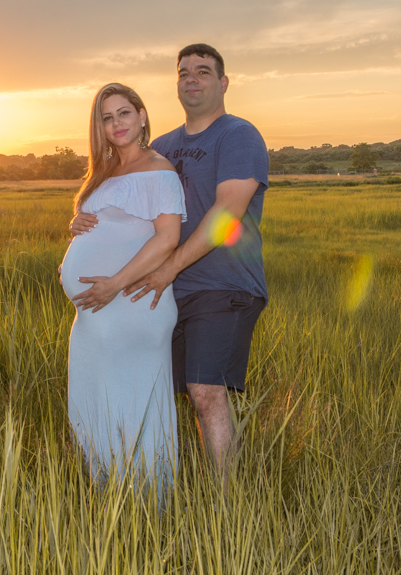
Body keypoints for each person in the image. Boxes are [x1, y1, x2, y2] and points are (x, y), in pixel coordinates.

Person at [70, 44, 269, 483]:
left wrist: (167, 269)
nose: (192, 79)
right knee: (163, 392)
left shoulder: (238, 135)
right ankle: (163, 483)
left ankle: (228, 507)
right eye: (184, 72)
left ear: (224, 82)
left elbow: (225, 216)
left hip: (223, 284)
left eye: (203, 71)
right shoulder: (162, 147)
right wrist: (86, 219)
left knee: (205, 391)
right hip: (162, 293)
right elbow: (130, 210)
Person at [59, 83, 186, 489]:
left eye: (124, 113)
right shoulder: (104, 171)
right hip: (97, 313)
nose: (116, 124)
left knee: (133, 404)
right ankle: (110, 497)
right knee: (95, 402)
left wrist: (114, 283)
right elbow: (108, 227)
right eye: (107, 117)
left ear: (142, 115)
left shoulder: (159, 170)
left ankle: (149, 505)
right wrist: (75, 226)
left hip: (130, 302)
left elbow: (167, 238)